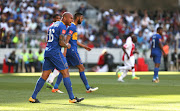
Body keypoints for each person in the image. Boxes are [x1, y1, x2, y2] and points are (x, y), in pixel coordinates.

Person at [29, 12, 84, 103]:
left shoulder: (52, 25)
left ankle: (33, 97)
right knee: (66, 72)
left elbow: (49, 40)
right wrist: (67, 45)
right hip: (55, 52)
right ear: (65, 18)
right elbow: (61, 42)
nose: (71, 20)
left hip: (48, 52)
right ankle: (72, 98)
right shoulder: (62, 26)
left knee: (44, 76)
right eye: (70, 18)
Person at [51, 13, 98, 94]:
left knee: (65, 70)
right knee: (81, 68)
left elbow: (74, 40)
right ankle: (87, 87)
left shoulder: (72, 26)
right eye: (81, 18)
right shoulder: (72, 26)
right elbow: (67, 39)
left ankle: (55, 87)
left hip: (70, 50)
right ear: (78, 18)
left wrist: (84, 46)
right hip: (72, 51)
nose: (82, 20)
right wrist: (65, 52)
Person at [45, 14, 62, 88]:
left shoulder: (50, 27)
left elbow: (47, 39)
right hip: (55, 49)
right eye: (57, 18)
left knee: (50, 67)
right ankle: (50, 80)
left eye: (59, 18)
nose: (58, 20)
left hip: (49, 48)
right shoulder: (57, 27)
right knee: (61, 66)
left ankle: (49, 80)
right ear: (53, 19)